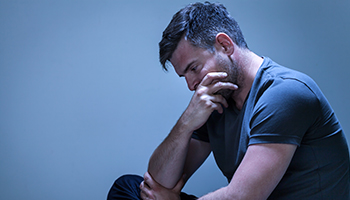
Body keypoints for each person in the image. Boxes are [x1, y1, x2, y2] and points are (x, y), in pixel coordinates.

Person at [107, 2, 350, 199]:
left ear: (224, 45)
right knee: (128, 187)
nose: (192, 85)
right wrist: (186, 123)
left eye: (194, 68)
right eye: (184, 76)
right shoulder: (215, 98)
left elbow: (243, 198)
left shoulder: (286, 93)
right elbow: (157, 183)